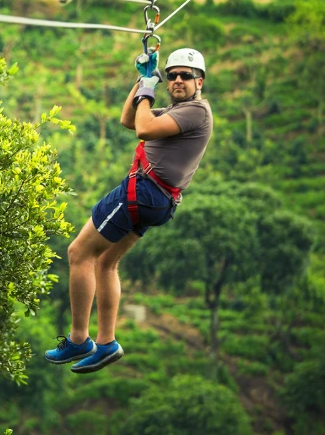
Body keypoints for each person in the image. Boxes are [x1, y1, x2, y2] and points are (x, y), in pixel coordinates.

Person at [45, 48, 214, 373]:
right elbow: (128, 119)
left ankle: (79, 338)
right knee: (105, 262)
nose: (178, 80)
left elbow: (144, 129)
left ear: (200, 81)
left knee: (79, 253)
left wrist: (148, 88)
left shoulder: (196, 111)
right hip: (157, 201)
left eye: (186, 75)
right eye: (172, 75)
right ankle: (107, 343)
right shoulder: (177, 112)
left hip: (144, 192)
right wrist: (142, 81)